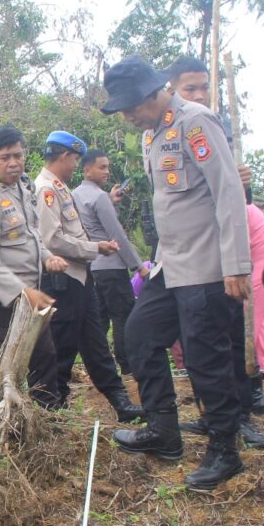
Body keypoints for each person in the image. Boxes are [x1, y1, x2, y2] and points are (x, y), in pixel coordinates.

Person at [102, 55, 252, 490]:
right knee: (140, 336)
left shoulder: (196, 122)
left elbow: (227, 192)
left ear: (152, 93)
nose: (128, 116)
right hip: (171, 264)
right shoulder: (153, 135)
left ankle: (225, 450)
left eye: (131, 106)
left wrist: (237, 264)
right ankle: (164, 431)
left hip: (207, 266)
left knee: (206, 362)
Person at [165, 56, 264, 445]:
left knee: (232, 340)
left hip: (231, 259)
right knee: (208, 347)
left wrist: (237, 265)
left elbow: (233, 202)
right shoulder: (172, 130)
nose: (199, 94)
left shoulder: (209, 125)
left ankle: (241, 416)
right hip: (200, 258)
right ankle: (218, 416)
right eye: (189, 88)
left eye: (203, 86)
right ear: (172, 89)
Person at [34, 131, 145, 422]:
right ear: (64, 157)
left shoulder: (61, 188)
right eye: (74, 160)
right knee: (63, 346)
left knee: (96, 343)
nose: (75, 167)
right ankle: (52, 408)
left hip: (81, 279)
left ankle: (121, 404)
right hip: (62, 279)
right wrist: (94, 247)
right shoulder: (45, 189)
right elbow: (52, 239)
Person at [0, 124, 68, 406]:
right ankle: (2, 431)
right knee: (3, 369)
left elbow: (30, 236)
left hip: (30, 294)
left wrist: (47, 257)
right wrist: (23, 292)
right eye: (5, 157)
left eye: (18, 155)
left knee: (44, 358)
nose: (13, 163)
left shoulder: (24, 187)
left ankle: (49, 421)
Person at [72, 149, 150, 375]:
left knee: (100, 319)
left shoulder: (75, 195)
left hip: (91, 265)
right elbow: (117, 235)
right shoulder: (99, 197)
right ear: (87, 170)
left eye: (107, 166)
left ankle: (99, 366)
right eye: (102, 167)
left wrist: (112, 201)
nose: (107, 171)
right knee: (123, 315)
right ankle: (128, 365)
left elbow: (91, 226)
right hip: (112, 266)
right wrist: (139, 267)